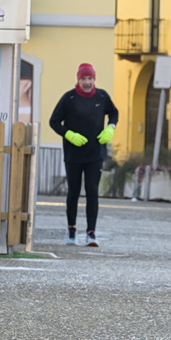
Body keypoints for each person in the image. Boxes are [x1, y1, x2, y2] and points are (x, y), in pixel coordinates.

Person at [48, 62, 118, 248]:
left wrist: (110, 128)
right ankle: (71, 230)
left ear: (94, 79)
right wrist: (69, 134)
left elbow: (114, 113)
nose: (87, 82)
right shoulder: (69, 98)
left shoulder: (102, 96)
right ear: (78, 80)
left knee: (92, 191)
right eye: (83, 79)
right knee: (74, 191)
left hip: (95, 153)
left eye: (90, 78)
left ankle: (91, 233)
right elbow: (54, 122)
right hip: (74, 154)